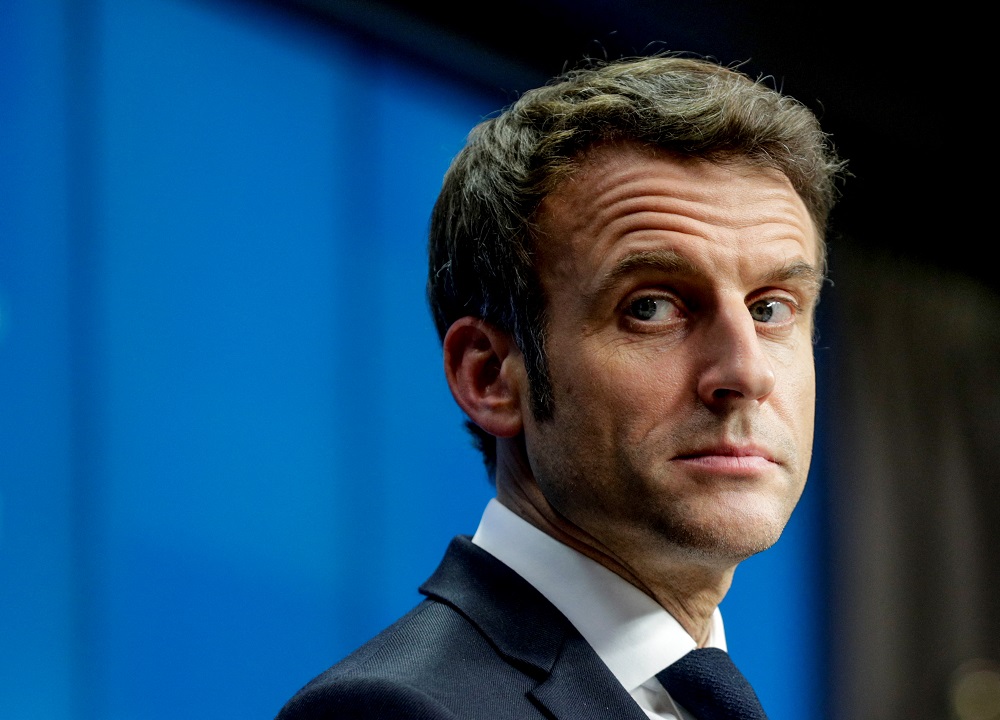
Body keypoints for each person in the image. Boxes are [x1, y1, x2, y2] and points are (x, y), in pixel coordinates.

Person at [276, 53, 845, 720]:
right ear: (490, 376)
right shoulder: (395, 711)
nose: (746, 374)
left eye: (771, 308)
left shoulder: (694, 696)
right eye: (652, 307)